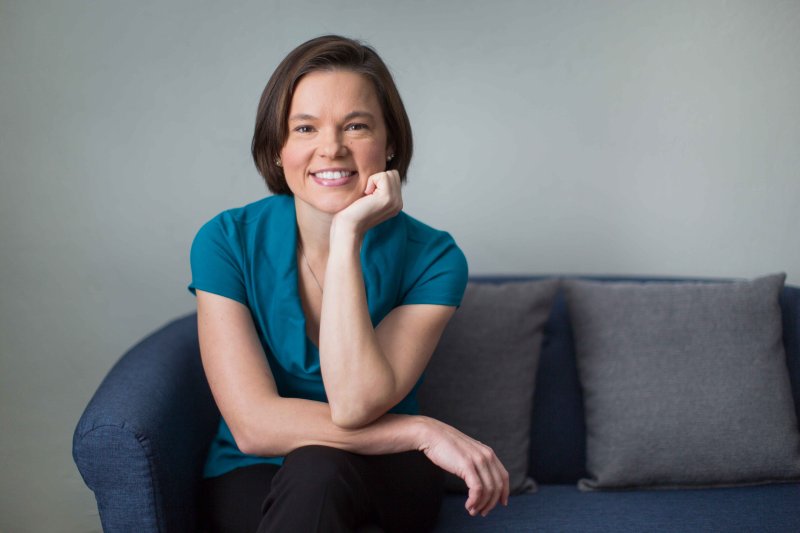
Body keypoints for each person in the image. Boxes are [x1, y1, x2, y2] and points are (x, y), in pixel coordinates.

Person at [188, 35, 509, 533]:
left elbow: (356, 403)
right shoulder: (226, 241)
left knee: (319, 467)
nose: (331, 148)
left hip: (386, 474)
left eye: (355, 126)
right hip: (255, 472)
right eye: (305, 128)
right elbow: (253, 427)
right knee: (314, 470)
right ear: (277, 149)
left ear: (391, 144)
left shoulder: (435, 258)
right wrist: (420, 430)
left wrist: (345, 236)